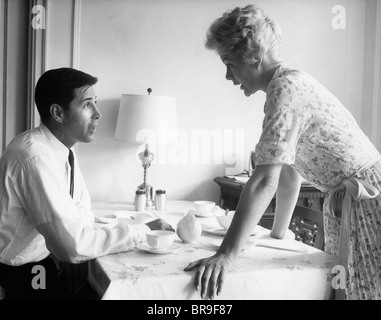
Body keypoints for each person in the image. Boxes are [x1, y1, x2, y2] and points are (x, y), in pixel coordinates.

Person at [185, 4, 381, 300]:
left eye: (229, 63)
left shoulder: (285, 89)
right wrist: (277, 236)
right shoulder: (288, 82)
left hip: (367, 199)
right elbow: (289, 171)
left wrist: (226, 254)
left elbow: (265, 181)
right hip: (352, 199)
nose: (228, 76)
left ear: (252, 54)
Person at [0, 67, 173, 300]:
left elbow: (81, 213)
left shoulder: (62, 150)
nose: (98, 113)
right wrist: (142, 232)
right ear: (58, 113)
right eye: (87, 104)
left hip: (43, 263)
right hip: (21, 275)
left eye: (96, 103)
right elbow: (72, 245)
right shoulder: (35, 157)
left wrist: (77, 252)